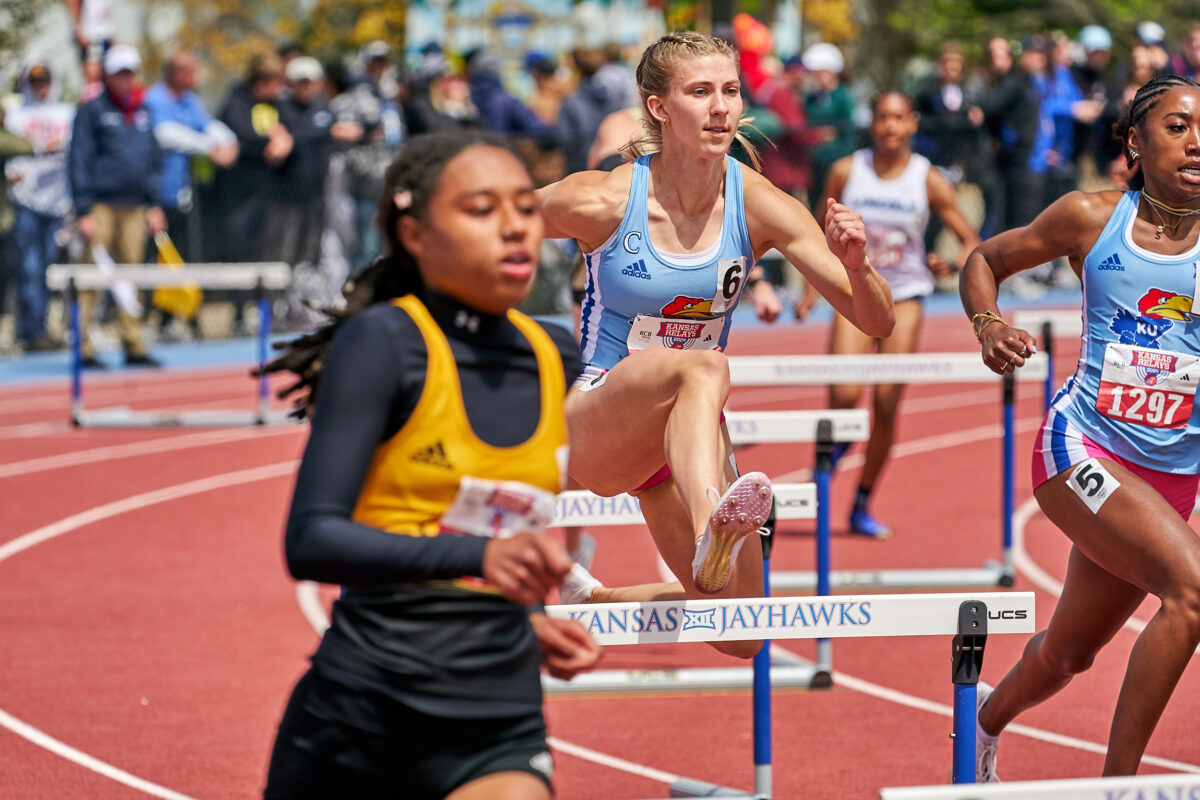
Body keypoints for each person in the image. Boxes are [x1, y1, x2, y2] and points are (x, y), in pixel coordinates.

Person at [260, 130, 602, 799]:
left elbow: (502, 521)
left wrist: (533, 621)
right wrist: (477, 561)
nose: (513, 228)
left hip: (499, 719)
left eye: (525, 209)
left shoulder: (553, 355)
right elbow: (311, 540)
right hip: (363, 720)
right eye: (480, 209)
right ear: (414, 235)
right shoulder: (384, 343)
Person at [537, 32, 894, 657]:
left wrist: (859, 266)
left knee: (744, 633)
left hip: (684, 441)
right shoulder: (603, 197)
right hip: (599, 420)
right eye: (700, 92)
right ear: (658, 108)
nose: (722, 108)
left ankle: (588, 600)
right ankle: (713, 526)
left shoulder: (759, 204)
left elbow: (877, 322)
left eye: (730, 91)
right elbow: (482, 227)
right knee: (701, 366)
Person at [960, 74, 1200, 782]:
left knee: (1068, 654)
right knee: (1192, 596)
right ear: (1135, 140)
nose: (1198, 141)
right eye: (1179, 126)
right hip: (1082, 447)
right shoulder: (1092, 218)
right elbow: (984, 260)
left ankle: (978, 726)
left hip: (1173, 475)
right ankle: (1119, 787)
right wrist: (988, 323)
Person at [803, 91, 979, 537]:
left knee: (885, 403)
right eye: (882, 117)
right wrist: (810, 288)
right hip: (853, 294)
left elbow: (968, 237)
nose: (890, 126)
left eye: (899, 117)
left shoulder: (927, 178)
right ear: (873, 123)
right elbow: (814, 233)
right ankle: (829, 459)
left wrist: (952, 262)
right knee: (843, 393)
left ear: (912, 124)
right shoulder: (847, 171)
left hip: (905, 295)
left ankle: (860, 501)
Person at [67, 43, 165, 368]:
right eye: (119, 73)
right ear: (107, 75)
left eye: (130, 72)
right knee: (92, 277)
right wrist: (83, 210)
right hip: (101, 206)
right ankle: (82, 347)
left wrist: (154, 204)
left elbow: (152, 159)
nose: (126, 79)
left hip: (136, 206)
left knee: (131, 275)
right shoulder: (92, 111)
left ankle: (133, 343)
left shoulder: (144, 110)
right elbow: (78, 160)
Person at [5, 59, 72, 353]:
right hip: (25, 201)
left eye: (43, 80)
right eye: (34, 81)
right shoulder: (15, 115)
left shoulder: (68, 113)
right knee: (29, 268)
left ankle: (42, 326)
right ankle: (31, 330)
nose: (39, 87)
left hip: (57, 202)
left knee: (49, 267)